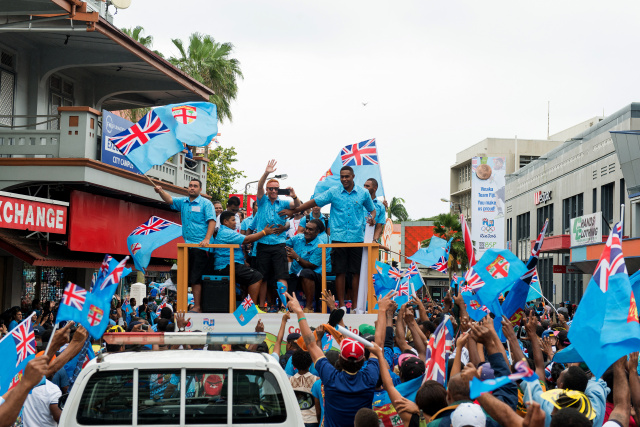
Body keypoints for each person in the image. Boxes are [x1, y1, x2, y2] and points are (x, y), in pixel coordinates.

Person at [280, 166, 376, 310]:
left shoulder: (363, 193)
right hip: (338, 238)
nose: (344, 179)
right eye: (342, 176)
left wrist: (372, 218)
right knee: (340, 272)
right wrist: (295, 210)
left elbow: (372, 210)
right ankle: (342, 305)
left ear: (353, 176)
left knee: (356, 272)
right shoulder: (334, 192)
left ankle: (356, 306)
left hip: (357, 237)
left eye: (347, 176)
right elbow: (314, 202)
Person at [285, 291, 381, 427]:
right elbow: (379, 346)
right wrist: (383, 312)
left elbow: (311, 344)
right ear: (363, 360)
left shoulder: (330, 377)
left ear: (340, 359)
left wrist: (300, 312)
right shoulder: (370, 377)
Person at [155, 178, 215, 312]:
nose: (192, 188)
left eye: (195, 186)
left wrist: (206, 239)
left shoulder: (206, 203)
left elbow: (212, 221)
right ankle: (192, 305)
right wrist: (160, 191)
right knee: (187, 277)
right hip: (187, 246)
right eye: (190, 186)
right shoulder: (183, 202)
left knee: (197, 277)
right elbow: (169, 200)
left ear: (200, 189)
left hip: (201, 246)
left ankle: (198, 306)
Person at [253, 159, 300, 306]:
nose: (273, 191)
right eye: (270, 188)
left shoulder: (284, 203)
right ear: (267, 190)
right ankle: (261, 306)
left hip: (279, 244)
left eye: (276, 188)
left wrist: (293, 196)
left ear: (279, 190)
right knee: (262, 277)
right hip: (262, 244)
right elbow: (259, 185)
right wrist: (267, 172)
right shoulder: (261, 201)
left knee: (281, 276)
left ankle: (285, 306)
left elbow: (298, 206)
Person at [213, 211, 276, 303]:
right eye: (233, 220)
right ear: (225, 222)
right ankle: (249, 308)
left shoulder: (227, 231)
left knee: (251, 277)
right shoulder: (226, 232)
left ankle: (244, 307)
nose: (236, 222)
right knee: (257, 276)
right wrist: (264, 232)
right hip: (226, 265)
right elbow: (247, 239)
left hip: (232, 264)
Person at [286, 219, 325, 313]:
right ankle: (282, 307)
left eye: (310, 229)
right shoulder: (298, 238)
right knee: (282, 275)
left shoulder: (320, 245)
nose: (306, 231)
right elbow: (283, 245)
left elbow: (312, 265)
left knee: (306, 273)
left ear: (317, 232)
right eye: (306, 228)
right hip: (295, 273)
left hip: (313, 275)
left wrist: (296, 257)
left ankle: (309, 307)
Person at [289, 349, 319, 427]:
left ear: (294, 365)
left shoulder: (289, 381)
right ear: (310, 363)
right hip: (313, 420)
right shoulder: (317, 381)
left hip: (296, 420)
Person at [363, 178, 386, 243]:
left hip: (370, 242)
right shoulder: (359, 202)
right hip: (356, 241)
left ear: (375, 188)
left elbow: (379, 226)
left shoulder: (380, 206)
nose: (364, 188)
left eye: (367, 186)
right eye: (364, 185)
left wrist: (375, 240)